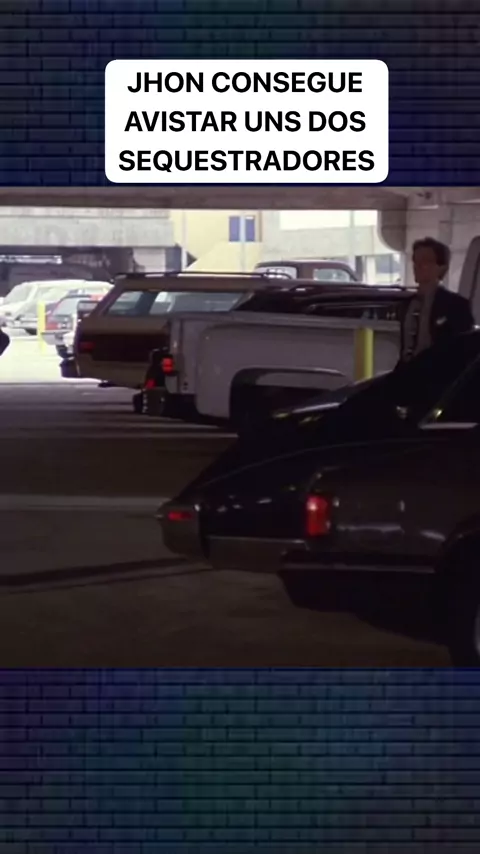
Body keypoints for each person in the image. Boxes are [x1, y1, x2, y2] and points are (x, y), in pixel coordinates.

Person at [399, 236, 475, 363]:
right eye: (415, 261)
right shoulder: (408, 304)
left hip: (438, 371)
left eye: (425, 261)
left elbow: (463, 350)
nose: (417, 266)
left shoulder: (456, 305)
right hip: (407, 370)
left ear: (441, 268)